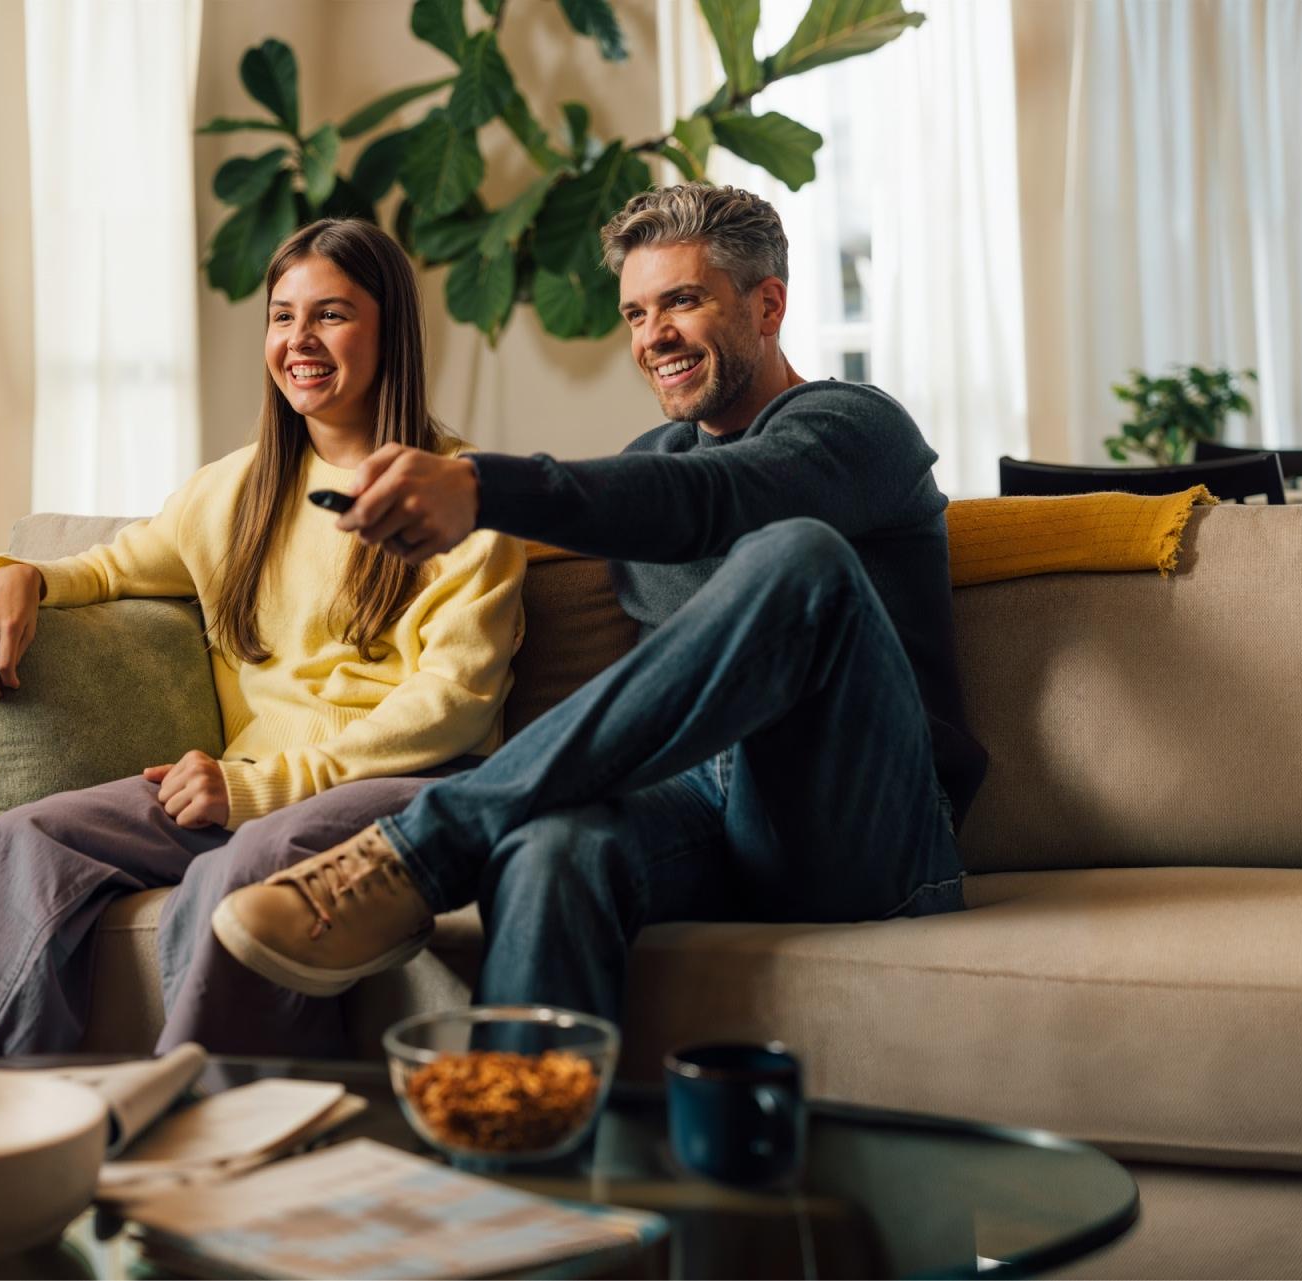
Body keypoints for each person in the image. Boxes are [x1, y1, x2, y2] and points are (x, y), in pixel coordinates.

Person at [210, 183, 986, 1024]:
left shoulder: (855, 428)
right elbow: (652, 494)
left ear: (768, 306)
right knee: (551, 849)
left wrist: (479, 484)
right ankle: (521, 1136)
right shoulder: (648, 464)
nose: (653, 336)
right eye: (634, 313)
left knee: (799, 556)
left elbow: (709, 499)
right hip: (702, 815)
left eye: (682, 301)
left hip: (860, 826)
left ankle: (422, 853)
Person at [0, 218, 524, 1072]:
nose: (299, 340)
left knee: (234, 875)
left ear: (391, 331)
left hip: (402, 790)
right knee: (26, 837)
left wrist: (257, 788)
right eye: (282, 316)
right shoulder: (236, 488)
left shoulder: (464, 499)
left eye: (332, 314)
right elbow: (118, 564)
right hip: (244, 791)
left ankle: (215, 1143)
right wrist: (25, 578)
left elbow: (452, 706)